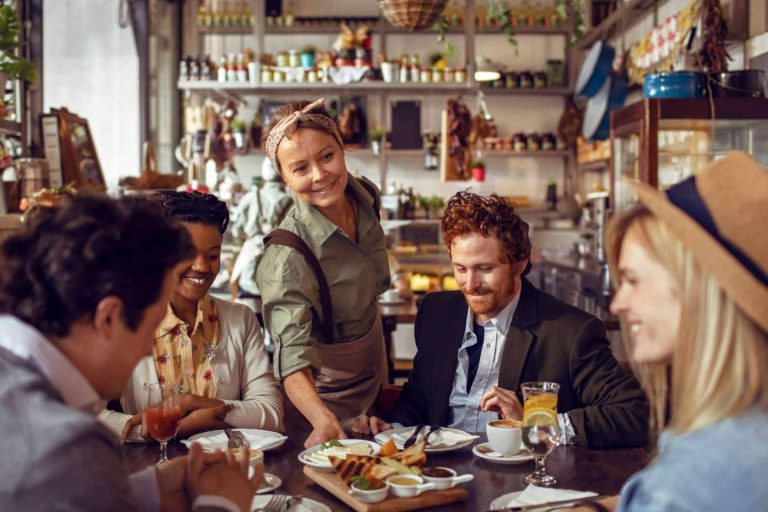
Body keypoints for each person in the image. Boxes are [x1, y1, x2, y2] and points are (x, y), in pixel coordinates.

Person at [0, 195, 259, 511]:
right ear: (108, 318)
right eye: (152, 325)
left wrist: (156, 484)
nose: (149, 354)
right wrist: (221, 504)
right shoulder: (64, 446)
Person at [355, 191, 648, 449]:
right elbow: (419, 395)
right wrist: (392, 430)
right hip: (438, 474)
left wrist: (535, 424)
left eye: (484, 268)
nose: (470, 284)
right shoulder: (436, 312)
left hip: (520, 480)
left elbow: (635, 413)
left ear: (520, 262)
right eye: (460, 268)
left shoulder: (570, 332)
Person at [567, 152, 768, 511]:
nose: (618, 304)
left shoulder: (706, 469)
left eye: (632, 280)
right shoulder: (738, 428)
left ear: (698, 292)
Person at [256, 98, 390, 448]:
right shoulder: (287, 257)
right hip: (324, 403)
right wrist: (324, 420)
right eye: (300, 169)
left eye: (327, 156)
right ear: (284, 178)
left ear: (342, 149)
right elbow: (291, 356)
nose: (320, 175)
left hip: (377, 376)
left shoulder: (366, 196)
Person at [101, 191, 282, 442]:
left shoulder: (241, 320)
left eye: (213, 255)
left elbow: (271, 414)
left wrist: (195, 403)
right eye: (187, 253)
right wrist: (183, 426)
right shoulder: (125, 322)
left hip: (227, 471)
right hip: (149, 474)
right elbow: (91, 417)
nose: (202, 267)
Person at [229, 158, 293, 303]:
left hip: (250, 264)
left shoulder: (250, 197)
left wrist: (242, 241)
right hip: (282, 258)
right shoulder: (291, 200)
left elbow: (236, 230)